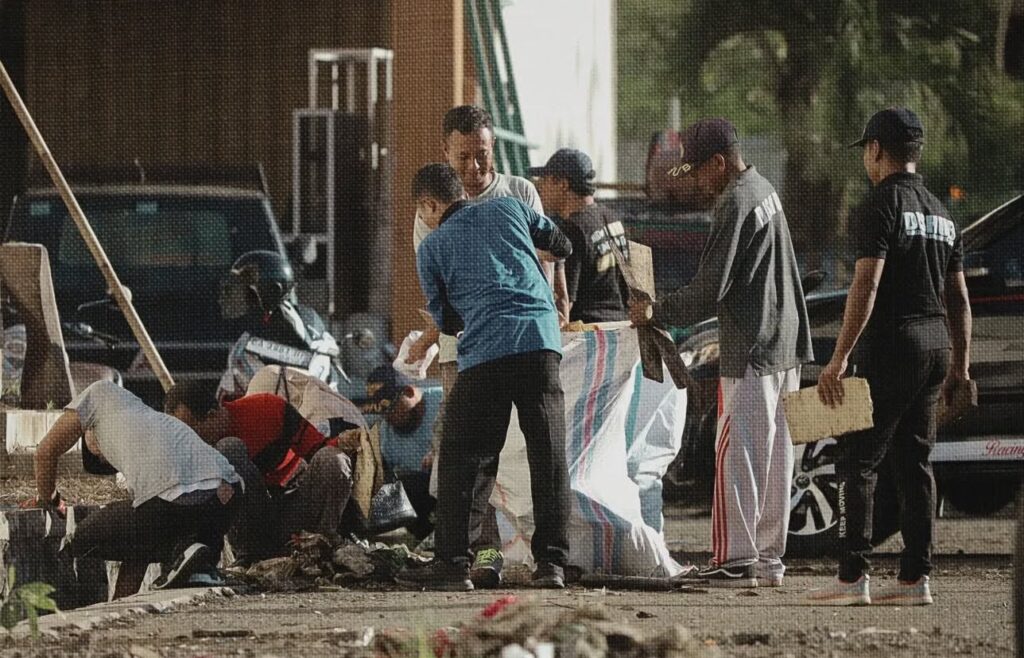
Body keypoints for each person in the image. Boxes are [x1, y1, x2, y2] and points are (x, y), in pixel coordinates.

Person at [630, 118, 813, 588]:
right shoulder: (764, 188)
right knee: (776, 460)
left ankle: (735, 559)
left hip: (750, 349)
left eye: (697, 171)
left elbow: (711, 288)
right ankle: (769, 561)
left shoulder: (734, 201)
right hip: (783, 345)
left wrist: (656, 311)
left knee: (737, 456)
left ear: (718, 162)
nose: (694, 182)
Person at [809, 108, 971, 606]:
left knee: (858, 463)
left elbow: (867, 282)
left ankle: (852, 577)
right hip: (935, 347)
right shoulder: (942, 214)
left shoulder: (878, 205)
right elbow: (959, 298)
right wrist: (961, 368)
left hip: (892, 347)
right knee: (916, 463)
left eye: (866, 150)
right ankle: (915, 578)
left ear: (876, 150)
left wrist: (837, 359)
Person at [409, 105, 567, 588]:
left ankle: (452, 563)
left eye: (481, 156)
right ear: (452, 165)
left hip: (484, 352)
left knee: (464, 456)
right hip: (541, 344)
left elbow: (445, 318)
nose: (475, 168)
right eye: (464, 160)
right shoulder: (515, 205)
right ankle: (552, 565)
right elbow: (561, 243)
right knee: (549, 454)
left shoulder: (432, 243)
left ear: (432, 205)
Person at [27, 381, 243, 598]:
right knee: (146, 528)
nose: (105, 458)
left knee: (83, 538)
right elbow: (139, 548)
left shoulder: (99, 394)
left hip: (177, 499)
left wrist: (51, 500)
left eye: (99, 457)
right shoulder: (152, 423)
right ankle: (198, 564)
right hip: (227, 496)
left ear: (89, 434)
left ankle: (182, 549)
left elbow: (44, 453)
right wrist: (120, 601)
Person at [165, 382, 360, 563]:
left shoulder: (267, 410)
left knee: (332, 458)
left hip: (292, 517)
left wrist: (346, 442)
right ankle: (250, 557)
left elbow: (318, 450)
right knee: (228, 449)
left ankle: (324, 543)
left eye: (193, 432)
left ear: (213, 414)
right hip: (250, 533)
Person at [532, 148, 632, 323]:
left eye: (545, 180)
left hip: (588, 333)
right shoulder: (614, 220)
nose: (540, 187)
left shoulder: (572, 229)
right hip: (622, 326)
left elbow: (564, 302)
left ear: (563, 184)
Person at [360, 365, 442, 540]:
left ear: (410, 392)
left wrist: (441, 452)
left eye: (391, 408)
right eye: (382, 412)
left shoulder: (443, 401)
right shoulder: (386, 433)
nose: (388, 417)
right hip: (424, 499)